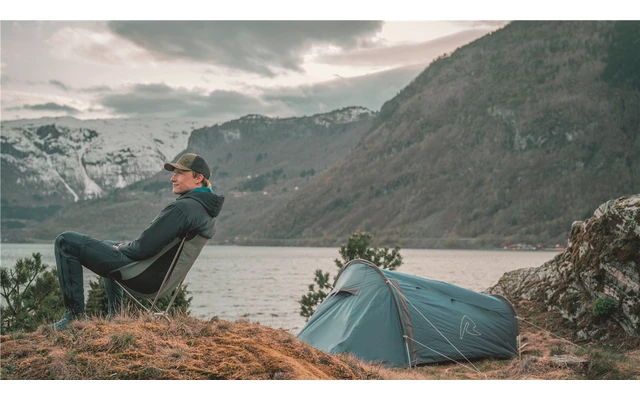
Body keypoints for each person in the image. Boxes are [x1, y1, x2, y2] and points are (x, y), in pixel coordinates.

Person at [53, 153, 224, 331]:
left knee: (65, 241)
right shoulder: (206, 212)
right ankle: (116, 316)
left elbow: (142, 248)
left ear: (198, 178)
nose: (173, 178)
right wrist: (121, 247)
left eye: (180, 173)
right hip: (161, 281)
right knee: (109, 244)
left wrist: (122, 248)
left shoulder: (183, 208)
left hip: (143, 277)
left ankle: (74, 317)